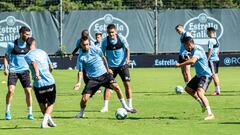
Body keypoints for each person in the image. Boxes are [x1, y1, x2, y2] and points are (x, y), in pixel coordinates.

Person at [73, 36, 137, 118]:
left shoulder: (96, 49)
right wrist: (79, 82)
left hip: (104, 74)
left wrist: (108, 69)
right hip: (93, 79)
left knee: (116, 87)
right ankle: (81, 113)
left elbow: (103, 57)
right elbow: (80, 71)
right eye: (84, 45)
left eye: (87, 44)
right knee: (84, 99)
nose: (86, 46)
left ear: (89, 43)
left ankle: (125, 107)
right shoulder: (81, 57)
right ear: (81, 45)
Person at [176, 37, 214, 120]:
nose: (185, 48)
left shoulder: (198, 49)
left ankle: (210, 114)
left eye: (185, 46)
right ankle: (201, 104)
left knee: (200, 93)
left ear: (189, 44)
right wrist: (187, 59)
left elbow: (193, 61)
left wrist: (180, 64)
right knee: (188, 89)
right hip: (199, 75)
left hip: (206, 75)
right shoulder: (192, 50)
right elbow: (194, 60)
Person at [100, 24, 134, 112]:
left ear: (116, 31)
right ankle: (105, 107)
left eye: (112, 32)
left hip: (122, 65)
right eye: (109, 32)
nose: (111, 34)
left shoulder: (121, 39)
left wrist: (128, 59)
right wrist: (107, 67)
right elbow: (102, 55)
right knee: (108, 86)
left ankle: (129, 105)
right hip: (111, 67)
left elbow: (127, 49)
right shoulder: (104, 42)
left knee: (127, 85)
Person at [24, 38, 57, 128]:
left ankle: (49, 122)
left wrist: (37, 76)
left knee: (41, 103)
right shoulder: (43, 52)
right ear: (34, 43)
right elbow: (51, 67)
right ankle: (44, 122)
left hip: (38, 84)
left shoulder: (26, 56)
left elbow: (33, 64)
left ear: (27, 45)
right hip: (49, 81)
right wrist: (45, 74)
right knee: (51, 103)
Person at [3, 26, 34, 120]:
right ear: (21, 33)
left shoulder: (29, 44)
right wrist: (5, 68)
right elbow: (6, 57)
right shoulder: (12, 44)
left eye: (29, 34)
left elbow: (32, 58)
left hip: (25, 71)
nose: (28, 36)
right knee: (10, 91)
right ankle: (7, 111)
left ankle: (30, 113)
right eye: (26, 34)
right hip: (13, 71)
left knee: (28, 92)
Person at [207, 27, 221, 95]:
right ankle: (217, 90)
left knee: (214, 75)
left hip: (212, 60)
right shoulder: (217, 40)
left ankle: (217, 91)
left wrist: (207, 59)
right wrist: (216, 56)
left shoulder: (211, 40)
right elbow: (218, 51)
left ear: (210, 32)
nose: (207, 34)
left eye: (207, 32)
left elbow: (210, 50)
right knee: (215, 75)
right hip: (216, 59)